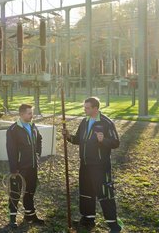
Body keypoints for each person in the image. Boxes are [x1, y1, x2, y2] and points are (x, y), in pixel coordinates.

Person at [62, 97, 122, 232]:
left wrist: (103, 140)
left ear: (96, 108)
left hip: (100, 166)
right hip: (85, 164)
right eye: (84, 107)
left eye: (87, 108)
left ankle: (113, 225)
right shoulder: (84, 122)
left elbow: (116, 142)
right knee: (86, 192)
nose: (85, 109)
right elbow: (78, 139)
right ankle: (88, 219)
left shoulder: (106, 123)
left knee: (105, 193)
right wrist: (69, 137)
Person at [6, 104, 44, 228]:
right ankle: (12, 219)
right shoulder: (13, 130)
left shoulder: (33, 126)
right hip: (19, 168)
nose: (31, 115)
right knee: (15, 192)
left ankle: (30, 215)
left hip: (33, 166)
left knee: (30, 191)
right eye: (29, 113)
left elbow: (39, 139)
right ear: (21, 114)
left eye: (31, 113)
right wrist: (13, 169)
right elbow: (11, 150)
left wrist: (38, 153)